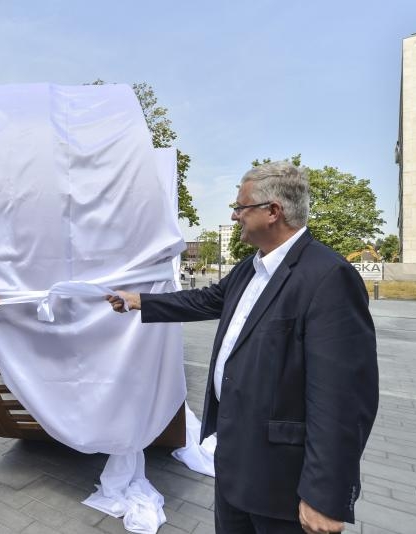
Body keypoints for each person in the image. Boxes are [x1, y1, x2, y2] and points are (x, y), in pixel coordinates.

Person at [108, 161, 378, 534]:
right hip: (235, 464)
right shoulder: (251, 268)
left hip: (282, 481)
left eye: (240, 207)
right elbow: (204, 300)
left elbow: (343, 399)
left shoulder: (328, 277)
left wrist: (325, 495)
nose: (235, 216)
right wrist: (139, 301)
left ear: (273, 212)